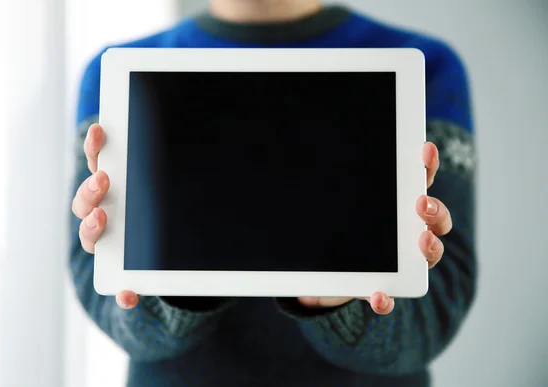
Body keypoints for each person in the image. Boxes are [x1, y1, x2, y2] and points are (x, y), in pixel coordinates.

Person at [70, 1, 477, 386]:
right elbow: (111, 305)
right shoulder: (118, 74)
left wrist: (341, 301)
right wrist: (172, 285)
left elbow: (432, 317)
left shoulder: (425, 64)